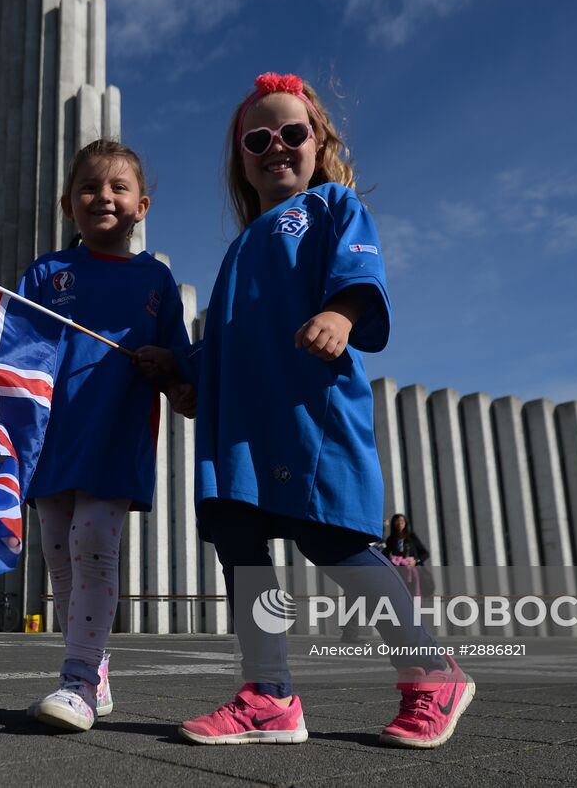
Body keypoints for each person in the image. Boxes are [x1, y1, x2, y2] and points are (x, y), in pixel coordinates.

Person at [170, 72, 474, 750]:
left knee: (331, 538)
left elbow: (360, 271)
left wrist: (340, 311)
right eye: (258, 137)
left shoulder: (334, 205)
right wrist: (186, 379)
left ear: (319, 140)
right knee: (239, 542)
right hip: (242, 430)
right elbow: (223, 336)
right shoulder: (241, 247)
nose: (275, 145)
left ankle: (434, 672)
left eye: (292, 132)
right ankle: (269, 693)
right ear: (241, 159)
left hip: (310, 411)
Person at [20, 139, 195, 733]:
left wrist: (168, 364)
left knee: (94, 544)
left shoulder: (157, 280)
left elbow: (182, 360)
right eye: (90, 187)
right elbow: (16, 351)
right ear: (69, 204)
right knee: (60, 561)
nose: (105, 197)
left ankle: (76, 682)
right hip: (52, 441)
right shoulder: (47, 272)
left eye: (119, 188)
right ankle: (96, 670)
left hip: (116, 435)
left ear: (142, 205)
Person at [384, 513, 432, 599]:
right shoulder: (391, 539)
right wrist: (392, 558)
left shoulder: (411, 537)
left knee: (415, 594)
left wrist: (416, 561)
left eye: (402, 521)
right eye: (397, 521)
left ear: (405, 523)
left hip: (413, 573)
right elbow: (385, 554)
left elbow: (425, 553)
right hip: (398, 573)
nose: (399, 524)